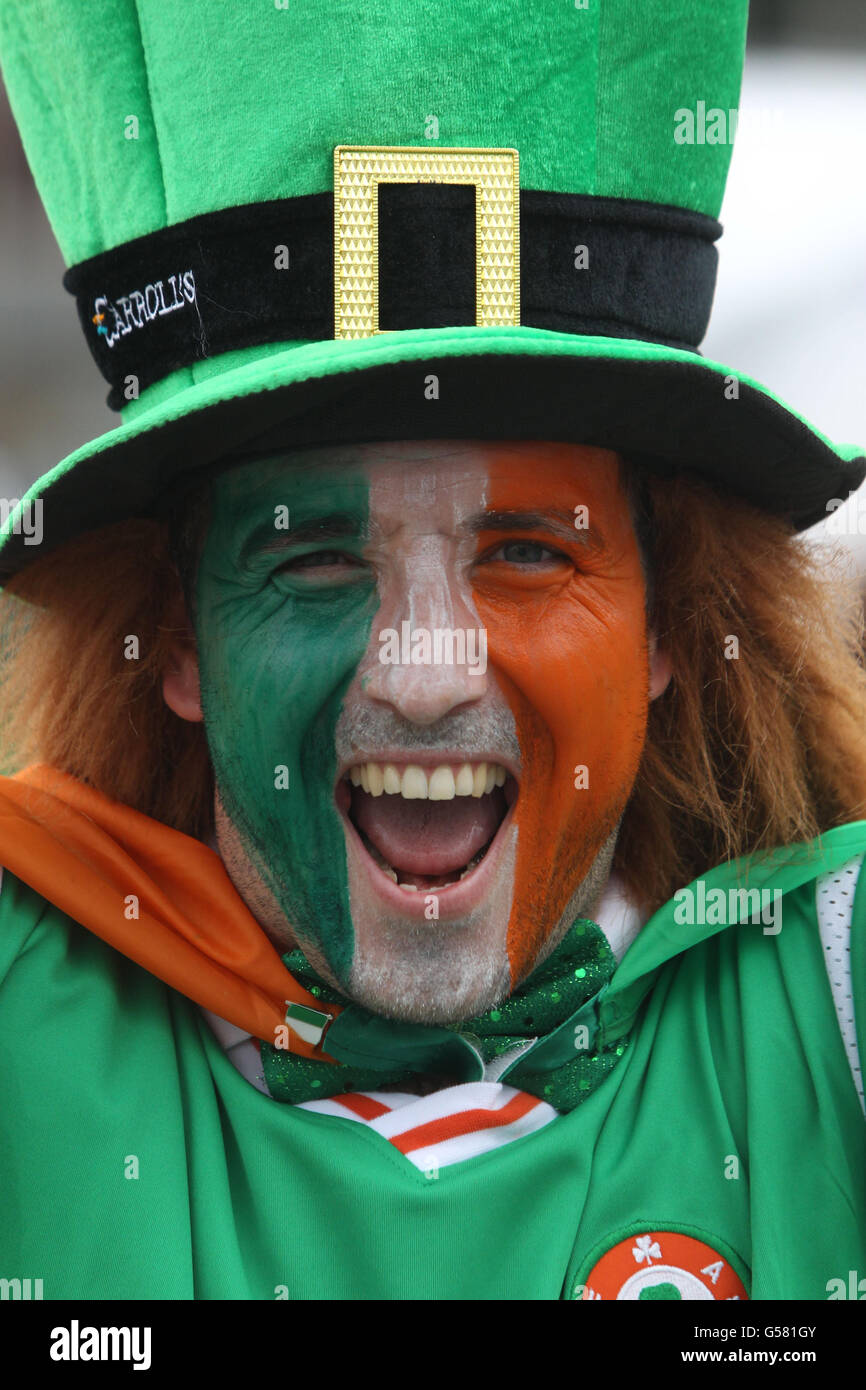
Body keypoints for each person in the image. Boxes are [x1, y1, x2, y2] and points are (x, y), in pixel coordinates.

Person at [0, 0, 864, 1302]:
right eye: (315, 562)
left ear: (666, 622)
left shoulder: (825, 1001)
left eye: (525, 553)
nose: (422, 672)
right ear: (177, 638)